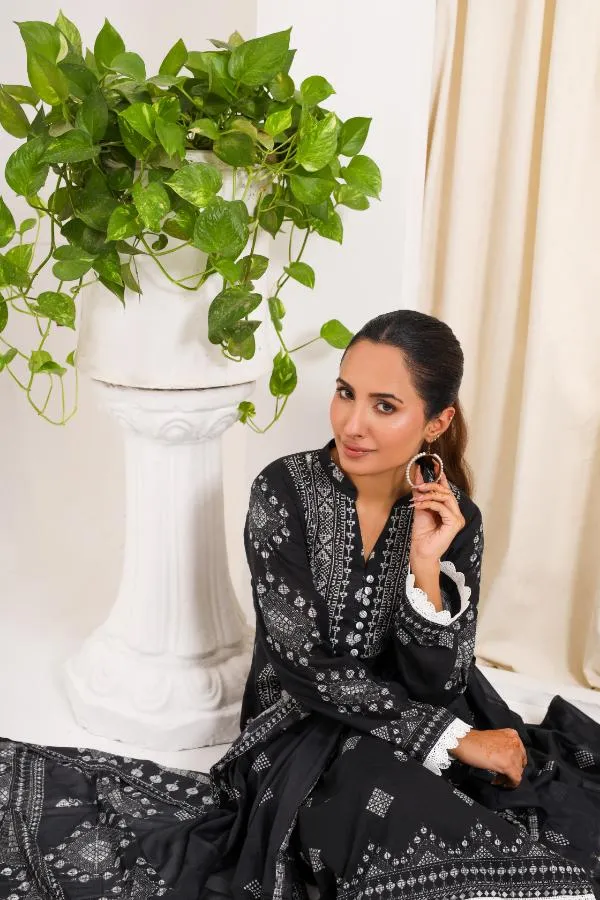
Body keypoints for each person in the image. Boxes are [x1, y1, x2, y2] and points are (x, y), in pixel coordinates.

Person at [0, 310, 599, 900]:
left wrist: (425, 564)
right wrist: (452, 739)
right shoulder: (283, 492)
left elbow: (441, 683)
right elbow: (304, 667)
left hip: (419, 708)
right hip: (299, 720)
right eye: (346, 393)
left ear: (436, 422)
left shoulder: (453, 517)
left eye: (384, 406)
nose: (352, 423)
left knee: (513, 806)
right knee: (378, 804)